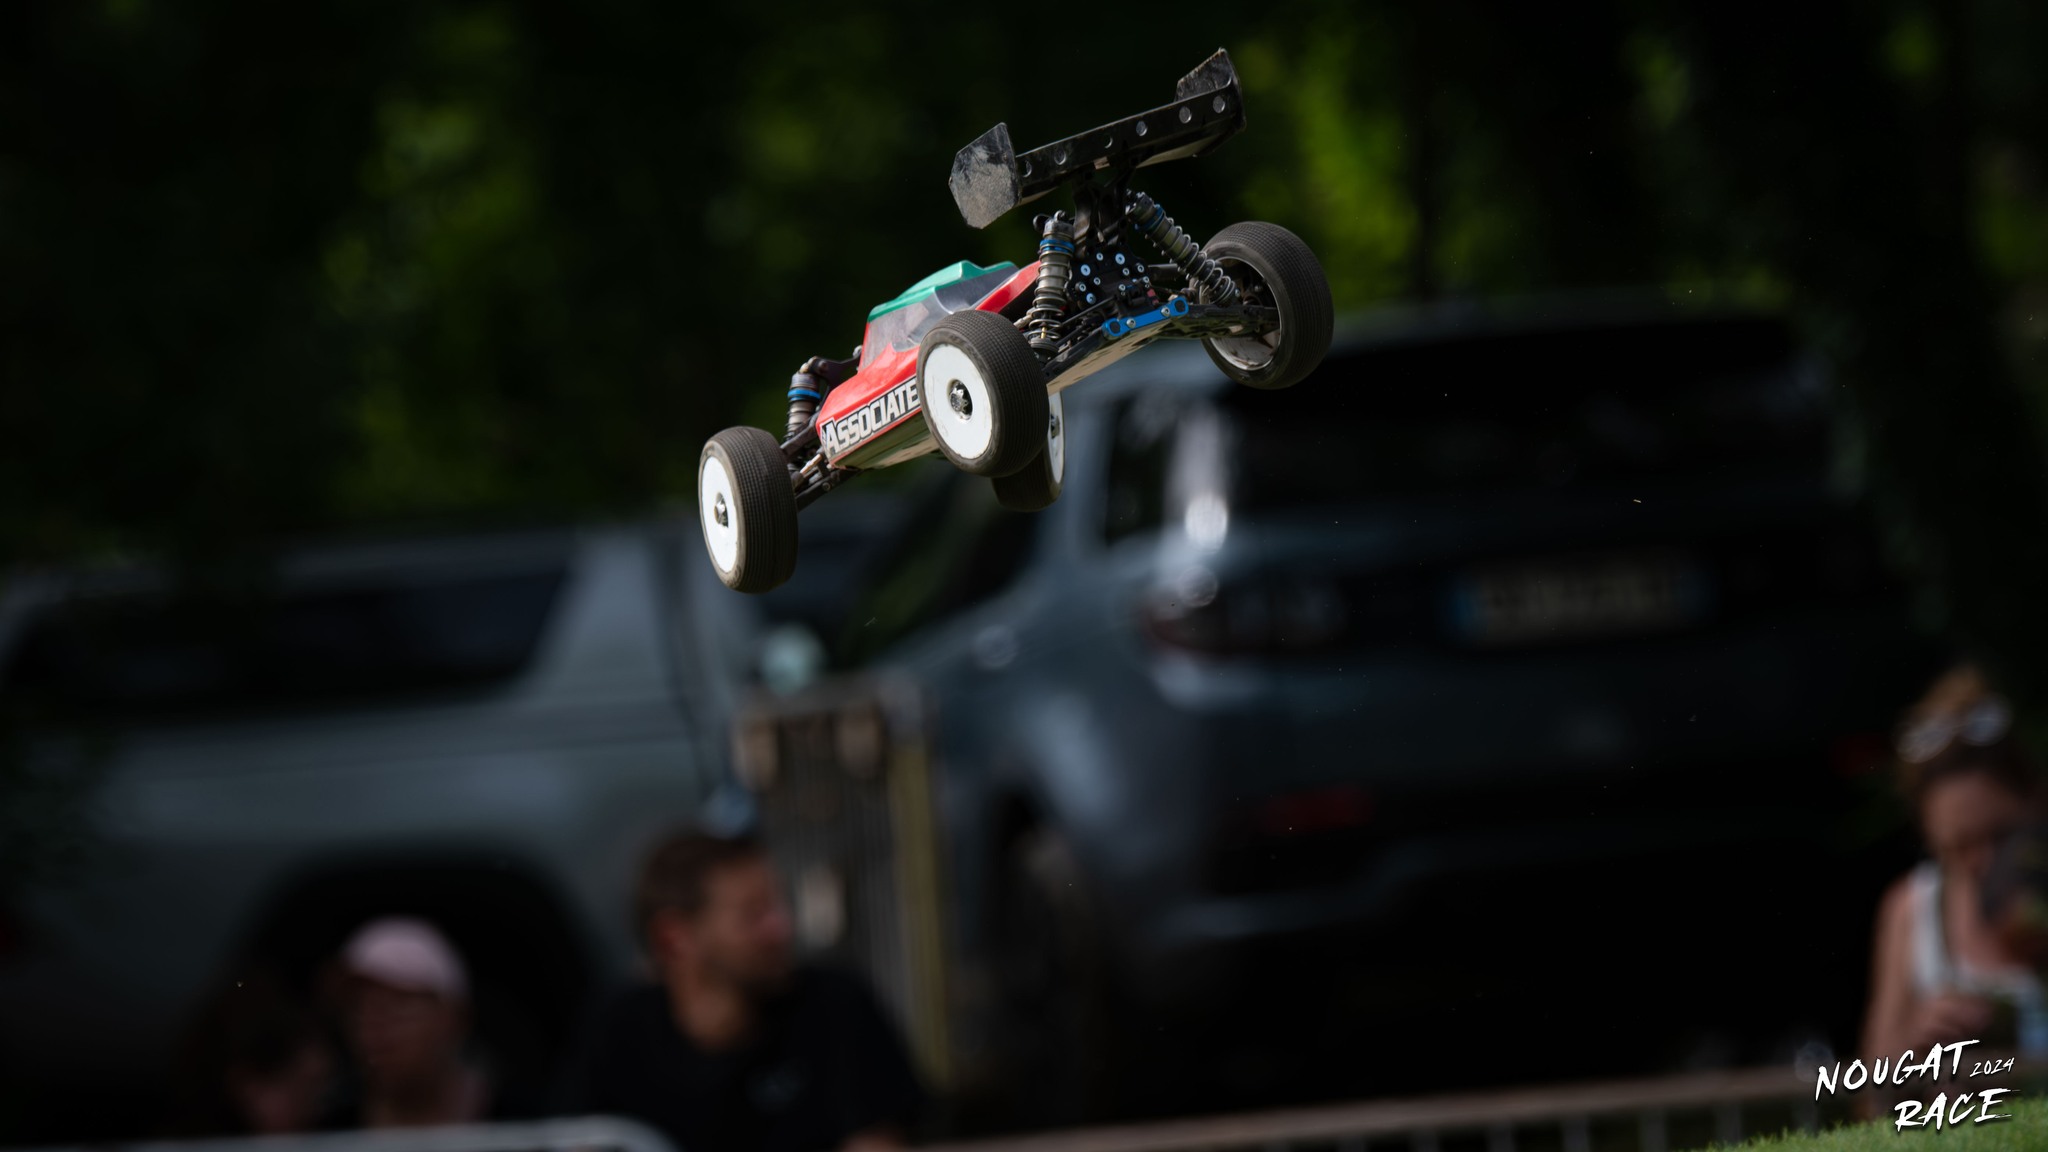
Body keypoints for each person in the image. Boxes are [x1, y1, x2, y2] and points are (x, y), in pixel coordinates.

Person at [558, 828, 924, 1152]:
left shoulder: (834, 1005)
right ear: (674, 938)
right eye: (753, 914)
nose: (781, 927)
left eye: (777, 905)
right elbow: (579, 1140)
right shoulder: (619, 1032)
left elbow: (876, 1142)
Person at [1861, 664, 2047, 1065]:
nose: (1984, 860)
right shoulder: (1912, 909)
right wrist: (1915, 1042)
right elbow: (1872, 1090)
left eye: (2001, 835)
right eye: (1958, 847)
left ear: (2035, 800)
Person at [327, 916, 501, 1128]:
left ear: (455, 1018)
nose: (375, 1025)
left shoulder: (521, 1120)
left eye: (399, 1004)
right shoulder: (325, 1128)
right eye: (359, 1007)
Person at [163, 966, 334, 1136]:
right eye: (301, 1088)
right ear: (244, 1084)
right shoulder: (180, 1142)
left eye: (319, 1091)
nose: (315, 1109)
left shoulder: (325, 1132)